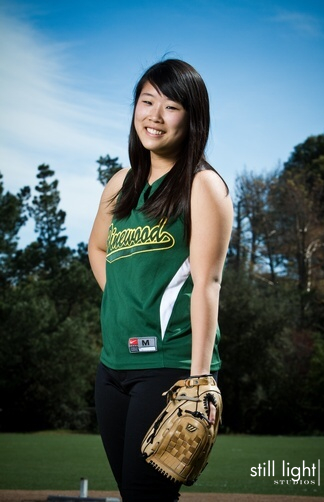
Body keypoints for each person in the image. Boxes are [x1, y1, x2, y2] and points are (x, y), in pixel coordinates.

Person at [88, 58, 233, 502]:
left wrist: (199, 381)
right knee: (132, 494)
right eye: (146, 101)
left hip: (168, 368)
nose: (153, 115)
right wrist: (125, 300)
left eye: (170, 107)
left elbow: (208, 283)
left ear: (192, 119)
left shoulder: (203, 185)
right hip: (112, 366)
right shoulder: (120, 183)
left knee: (147, 495)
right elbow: (97, 249)